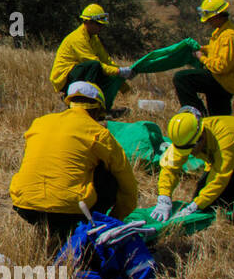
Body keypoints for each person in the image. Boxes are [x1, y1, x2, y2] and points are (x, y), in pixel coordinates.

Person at [10, 81, 140, 245]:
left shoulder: (39, 122)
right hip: (71, 212)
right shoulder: (98, 133)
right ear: (98, 110)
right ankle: (88, 229)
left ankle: (52, 229)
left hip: (25, 206)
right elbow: (128, 185)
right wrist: (115, 220)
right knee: (110, 175)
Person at [152, 108, 234, 221]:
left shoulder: (226, 136)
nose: (190, 153)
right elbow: (170, 167)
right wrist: (164, 197)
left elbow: (220, 176)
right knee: (203, 197)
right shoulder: (186, 135)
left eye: (191, 149)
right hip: (223, 157)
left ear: (202, 137)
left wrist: (197, 205)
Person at [50, 4, 132, 111]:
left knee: (106, 74)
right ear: (88, 22)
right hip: (64, 79)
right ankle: (83, 103)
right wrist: (118, 71)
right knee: (94, 66)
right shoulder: (78, 39)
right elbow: (94, 62)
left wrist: (122, 75)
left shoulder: (93, 38)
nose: (101, 27)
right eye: (98, 24)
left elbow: (106, 60)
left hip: (77, 75)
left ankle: (100, 108)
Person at [175, 0, 234, 117]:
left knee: (182, 78)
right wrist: (202, 48)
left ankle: (196, 115)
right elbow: (216, 50)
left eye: (210, 19)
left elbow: (221, 67)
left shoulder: (229, 36)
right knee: (220, 120)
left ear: (218, 16)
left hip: (221, 82)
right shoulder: (221, 31)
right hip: (221, 82)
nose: (207, 22)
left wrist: (201, 57)